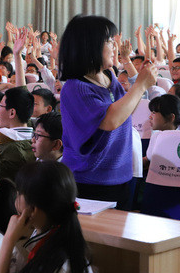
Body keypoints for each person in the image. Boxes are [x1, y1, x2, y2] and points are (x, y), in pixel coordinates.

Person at [58, 15, 156, 210]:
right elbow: (109, 120)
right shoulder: (76, 87)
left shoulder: (108, 76)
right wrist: (139, 85)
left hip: (120, 176)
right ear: (89, 46)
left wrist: (140, 87)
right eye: (109, 41)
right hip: (89, 181)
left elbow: (124, 113)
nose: (115, 47)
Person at [0, 162, 92, 273]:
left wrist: (8, 240)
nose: (15, 197)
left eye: (19, 193)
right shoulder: (55, 240)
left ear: (33, 210)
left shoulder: (57, 265)